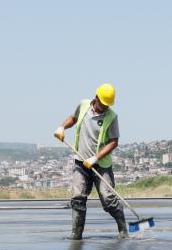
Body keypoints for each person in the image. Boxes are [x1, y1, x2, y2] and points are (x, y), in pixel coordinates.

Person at [53, 83, 127, 240]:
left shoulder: (112, 117)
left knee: (108, 199)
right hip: (81, 162)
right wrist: (62, 127)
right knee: (77, 196)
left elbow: (114, 142)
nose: (105, 107)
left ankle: (122, 227)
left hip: (101, 165)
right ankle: (76, 233)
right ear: (96, 98)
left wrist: (95, 157)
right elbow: (73, 118)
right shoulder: (84, 105)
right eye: (103, 104)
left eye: (107, 105)